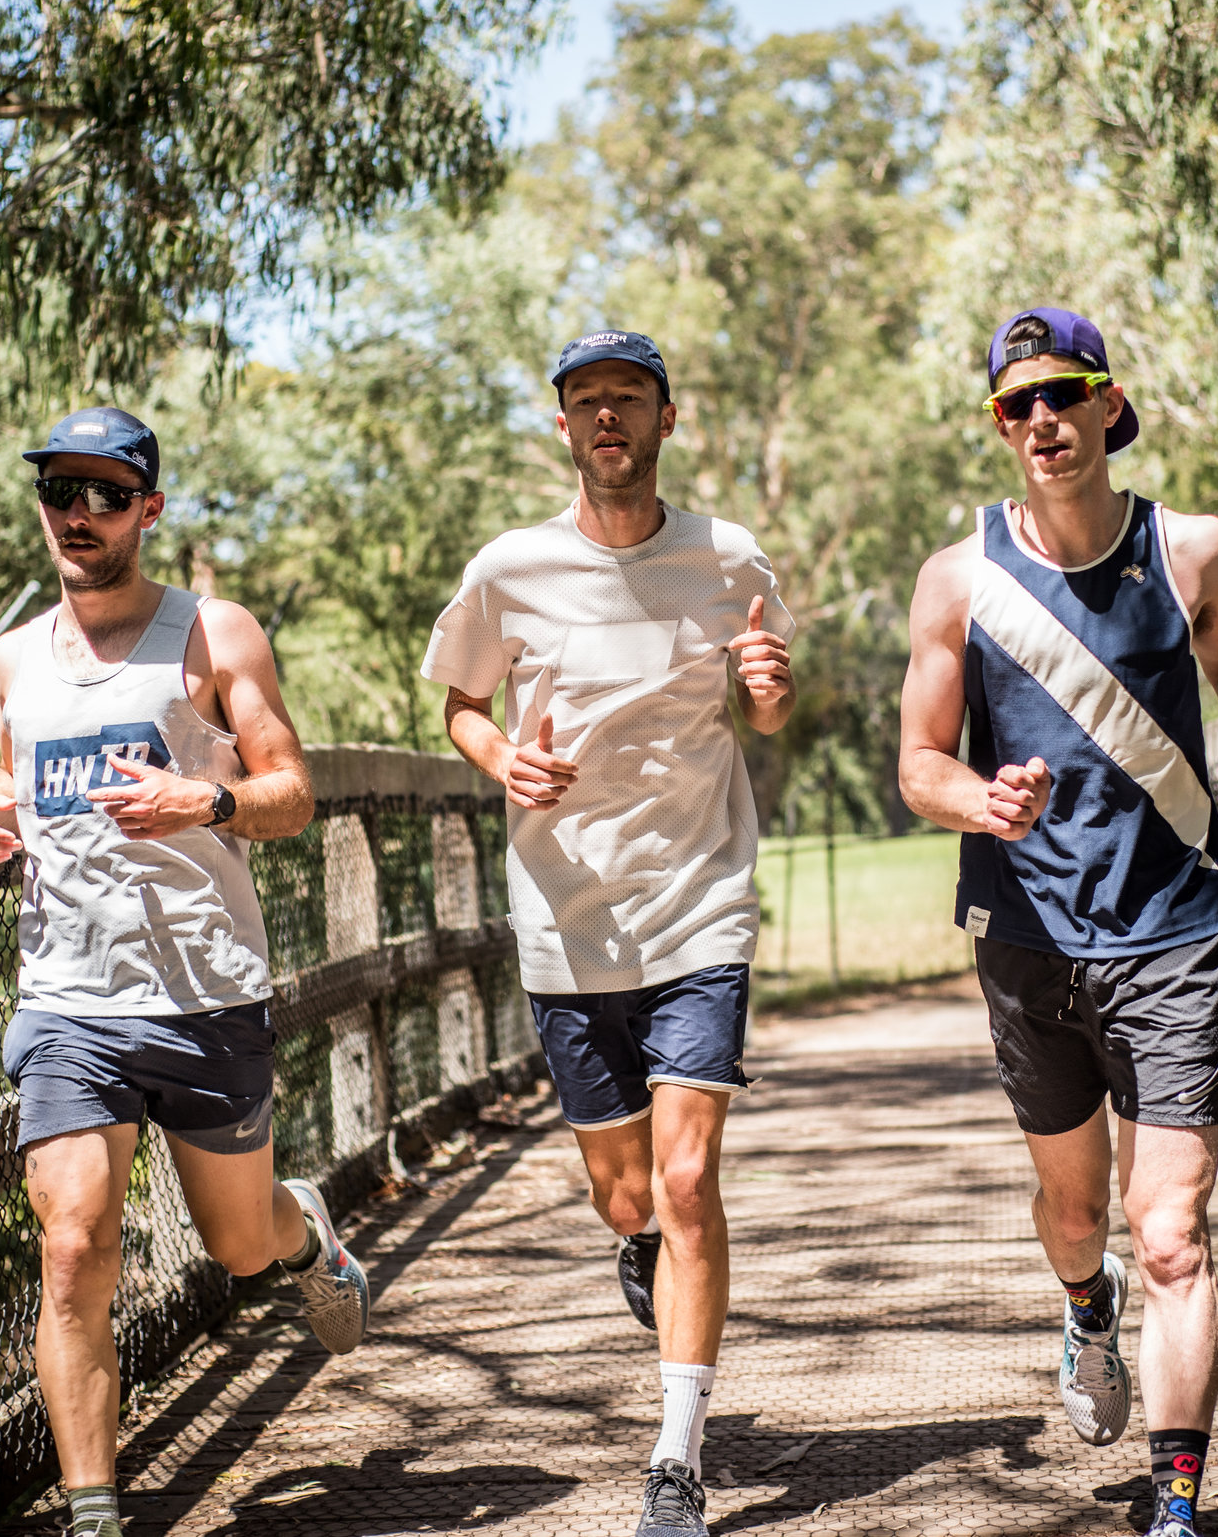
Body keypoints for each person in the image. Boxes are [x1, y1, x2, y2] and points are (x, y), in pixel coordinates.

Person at [896, 311, 1218, 1537]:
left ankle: (1175, 1508)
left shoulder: (1187, 550)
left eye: (1062, 395)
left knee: (1169, 1231)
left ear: (1107, 404)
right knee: (1076, 1217)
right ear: (1000, 428)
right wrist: (981, 796)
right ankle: (1085, 1308)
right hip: (1026, 934)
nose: (1042, 422)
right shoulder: (957, 578)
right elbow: (918, 764)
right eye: (1016, 406)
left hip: (1172, 929)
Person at [0, 407, 372, 1537]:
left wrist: (203, 798)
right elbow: (9, 791)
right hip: (68, 996)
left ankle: (306, 1234)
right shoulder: (16, 656)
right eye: (59, 492)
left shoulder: (213, 634)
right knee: (74, 1243)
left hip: (203, 992)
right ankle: (95, 1512)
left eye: (103, 494)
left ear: (148, 508)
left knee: (238, 1246)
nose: (76, 514)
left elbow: (293, 792)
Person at [421, 331, 796, 1537]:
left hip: (699, 899)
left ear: (667, 419)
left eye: (626, 399)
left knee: (688, 1181)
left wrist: (771, 687)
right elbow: (458, 705)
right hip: (567, 916)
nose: (606, 419)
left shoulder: (726, 556)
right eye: (585, 404)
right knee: (625, 1190)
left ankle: (676, 1458)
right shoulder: (510, 569)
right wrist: (501, 757)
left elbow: (770, 703)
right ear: (565, 430)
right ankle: (637, 1245)